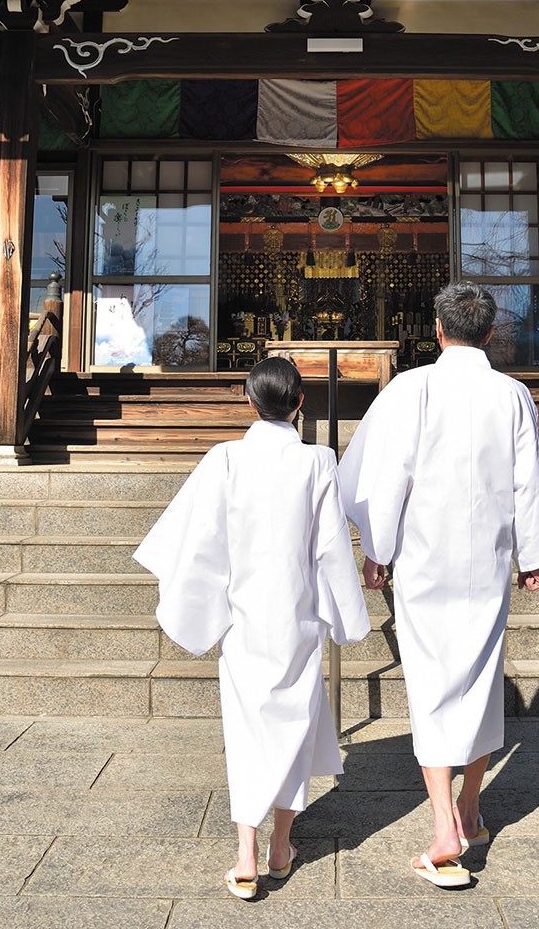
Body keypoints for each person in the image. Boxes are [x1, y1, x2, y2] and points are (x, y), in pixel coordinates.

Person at [338, 281, 539, 888]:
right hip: (487, 555)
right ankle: (470, 809)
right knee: (483, 676)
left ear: (438, 331)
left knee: (431, 680)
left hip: (424, 556)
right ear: (490, 333)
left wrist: (376, 550)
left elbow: (387, 477)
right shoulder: (512, 394)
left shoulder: (412, 389)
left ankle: (445, 827)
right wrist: (531, 553)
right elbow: (528, 478)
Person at [134, 357, 369, 900]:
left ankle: (245, 853)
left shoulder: (226, 459)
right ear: (299, 402)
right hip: (299, 614)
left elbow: (199, 540)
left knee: (245, 732)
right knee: (295, 726)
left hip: (242, 616)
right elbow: (331, 547)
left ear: (248, 401)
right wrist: (349, 617)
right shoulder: (318, 462)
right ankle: (280, 847)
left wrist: (200, 603)